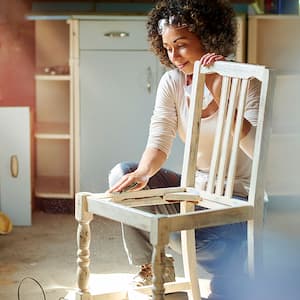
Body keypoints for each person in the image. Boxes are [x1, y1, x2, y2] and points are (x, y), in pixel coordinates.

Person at [108, 0, 261, 299]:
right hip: (195, 196)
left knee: (196, 239)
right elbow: (159, 140)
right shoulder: (173, 82)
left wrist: (218, 89)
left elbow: (257, 151)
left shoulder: (248, 83)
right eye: (167, 48)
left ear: (209, 36)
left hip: (233, 211)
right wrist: (142, 174)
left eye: (181, 45)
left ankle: (231, 277)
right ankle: (155, 266)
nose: (174, 57)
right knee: (122, 175)